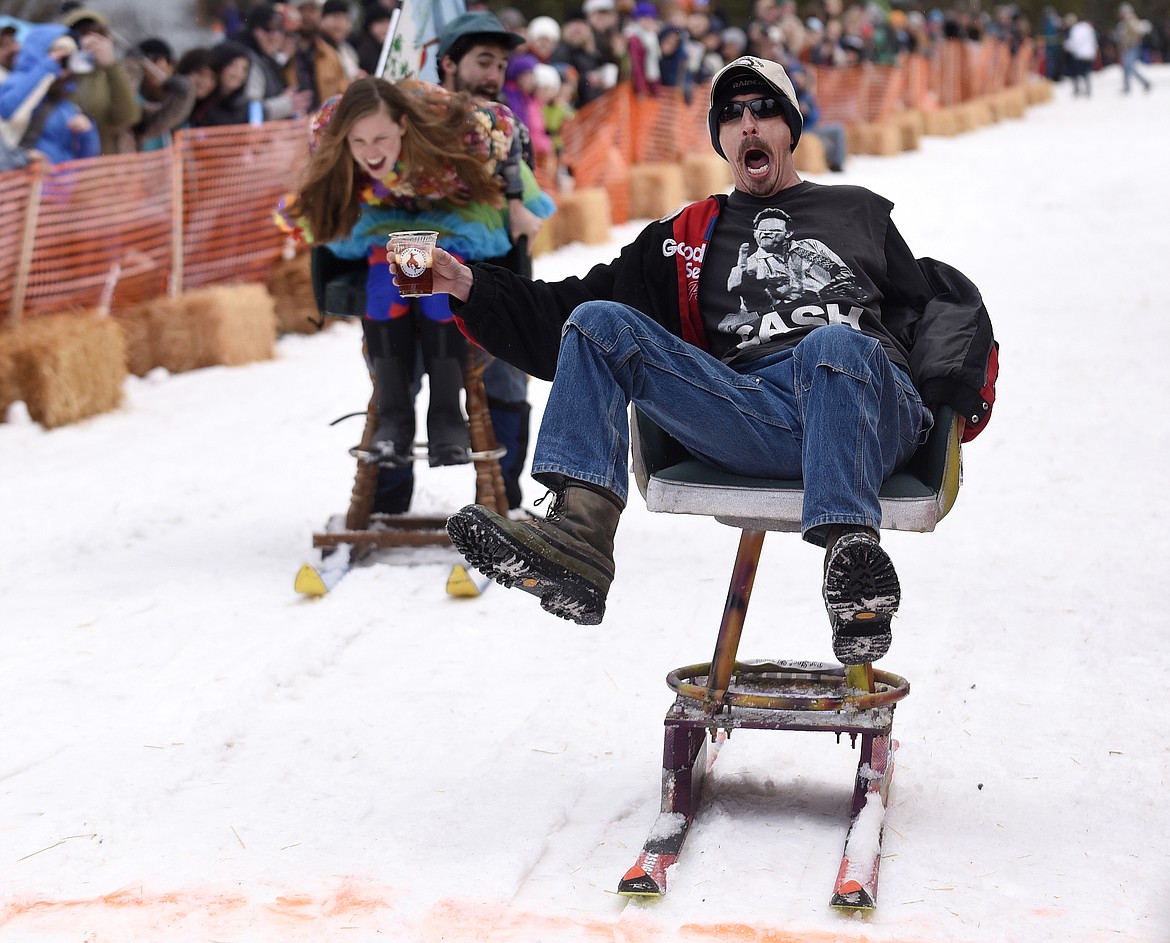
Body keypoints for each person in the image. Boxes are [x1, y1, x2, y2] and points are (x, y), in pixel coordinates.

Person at [424, 56, 997, 667]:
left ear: (790, 128)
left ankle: (853, 564)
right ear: (721, 139)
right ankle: (580, 542)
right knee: (597, 323)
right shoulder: (690, 236)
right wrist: (468, 286)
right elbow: (562, 311)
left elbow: (929, 310)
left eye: (763, 109)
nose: (748, 123)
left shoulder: (857, 211)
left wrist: (947, 402)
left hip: (868, 409)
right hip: (755, 413)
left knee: (833, 346)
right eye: (732, 115)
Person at [279, 76, 550, 480]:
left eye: (381, 138)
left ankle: (445, 413)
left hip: (454, 212)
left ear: (403, 124)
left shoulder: (459, 130)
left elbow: (507, 128)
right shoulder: (329, 132)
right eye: (359, 142)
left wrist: (515, 201)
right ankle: (395, 417)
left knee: (431, 269)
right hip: (381, 217)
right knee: (383, 274)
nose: (371, 153)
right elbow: (324, 191)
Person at [437, 10, 557, 513]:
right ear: (448, 64)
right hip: (422, 273)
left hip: (497, 278)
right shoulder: (418, 121)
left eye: (501, 64)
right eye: (483, 61)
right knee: (398, 371)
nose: (494, 74)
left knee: (507, 379)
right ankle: (388, 492)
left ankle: (502, 499)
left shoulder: (511, 126)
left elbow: (524, 202)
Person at [0, 24, 99, 164]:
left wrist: (87, 134)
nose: (62, 62)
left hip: (53, 182)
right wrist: (46, 67)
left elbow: (87, 159)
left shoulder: (66, 105)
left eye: (68, 58)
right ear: (39, 52)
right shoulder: (13, 82)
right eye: (58, 53)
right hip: (14, 171)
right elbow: (7, 110)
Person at [59, 8, 141, 155]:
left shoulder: (112, 76)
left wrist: (110, 66)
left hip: (105, 167)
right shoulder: (60, 76)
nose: (90, 41)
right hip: (68, 167)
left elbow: (127, 117)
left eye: (96, 34)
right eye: (81, 34)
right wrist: (72, 63)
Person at [126, 38, 195, 150]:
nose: (162, 65)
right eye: (154, 59)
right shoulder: (135, 98)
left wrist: (183, 96)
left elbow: (167, 117)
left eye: (168, 60)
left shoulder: (172, 96)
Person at [1114, 3, 1152, 94]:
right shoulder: (1124, 22)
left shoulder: (1131, 20)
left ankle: (1143, 83)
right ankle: (1130, 86)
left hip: (1132, 47)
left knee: (1128, 66)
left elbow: (1138, 30)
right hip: (1126, 48)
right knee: (1127, 67)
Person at [1064, 15, 1098, 98]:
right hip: (1089, 54)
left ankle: (1077, 89)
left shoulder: (1076, 30)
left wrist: (1066, 46)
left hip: (1080, 55)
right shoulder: (1088, 28)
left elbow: (1074, 43)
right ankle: (1088, 89)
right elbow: (1094, 41)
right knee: (1086, 72)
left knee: (1076, 72)